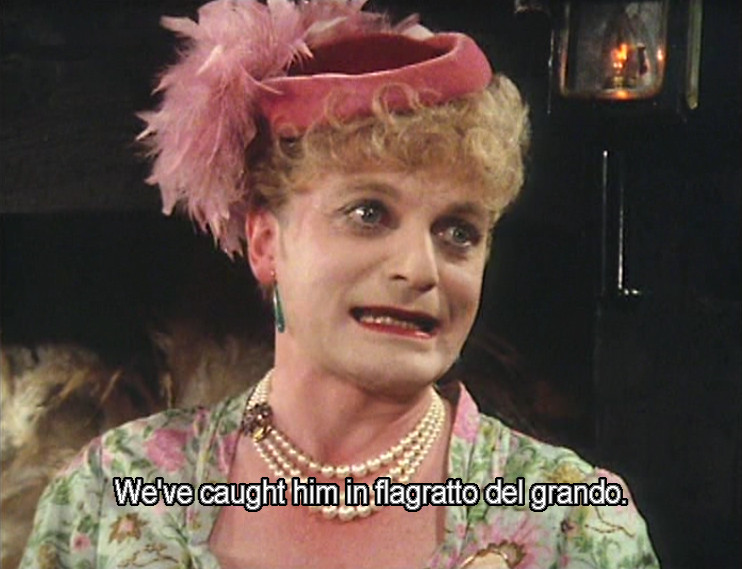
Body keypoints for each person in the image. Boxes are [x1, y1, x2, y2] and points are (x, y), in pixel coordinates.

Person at [20, 1, 659, 567]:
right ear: (266, 243)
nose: (420, 269)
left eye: (458, 231)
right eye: (369, 213)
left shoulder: (573, 524)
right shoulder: (109, 494)